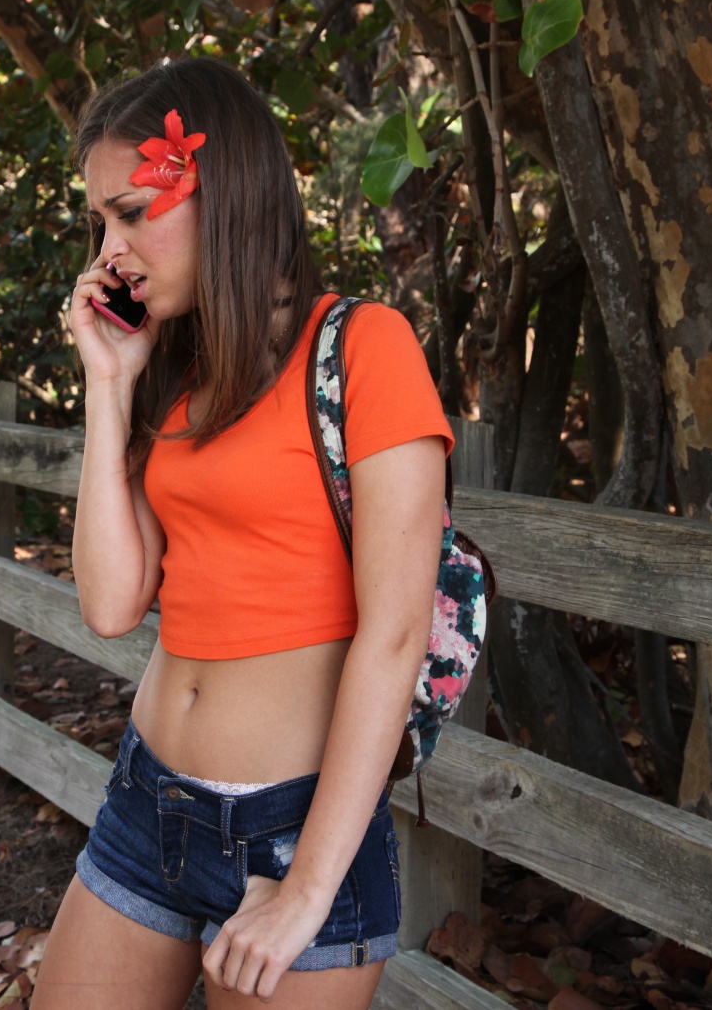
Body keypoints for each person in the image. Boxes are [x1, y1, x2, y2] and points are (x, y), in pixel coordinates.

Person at [34, 57, 453, 1010]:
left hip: (297, 832)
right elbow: (111, 604)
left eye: (131, 213)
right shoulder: (176, 373)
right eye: (99, 224)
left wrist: (307, 888)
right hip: (149, 806)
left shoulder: (365, 347)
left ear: (223, 192)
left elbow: (395, 636)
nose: (108, 254)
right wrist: (109, 383)